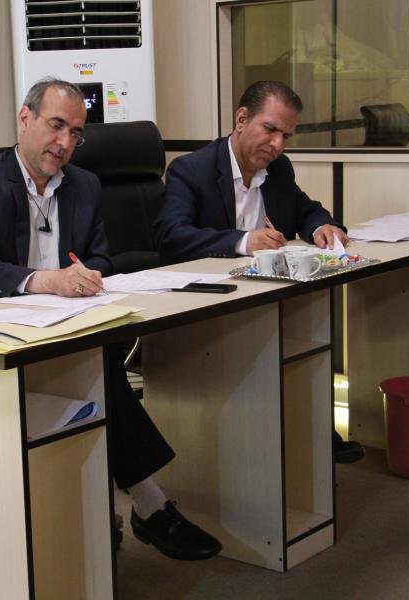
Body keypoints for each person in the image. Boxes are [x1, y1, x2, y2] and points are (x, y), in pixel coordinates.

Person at [0, 77, 222, 560]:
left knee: (98, 357)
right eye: (56, 126)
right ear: (25, 118)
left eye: (75, 133)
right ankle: (149, 505)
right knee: (100, 367)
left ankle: (114, 505)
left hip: (62, 323)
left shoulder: (85, 185)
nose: (64, 142)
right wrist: (47, 281)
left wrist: (90, 275)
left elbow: (101, 257)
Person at [154, 80, 365, 463]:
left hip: (267, 293)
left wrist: (322, 226)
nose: (278, 144)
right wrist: (242, 241)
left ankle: (315, 431)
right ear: (241, 119)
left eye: (286, 135)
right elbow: (171, 236)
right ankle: (273, 444)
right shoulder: (192, 169)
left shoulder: (278, 169)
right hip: (211, 303)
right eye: (270, 129)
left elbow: (305, 208)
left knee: (312, 331)